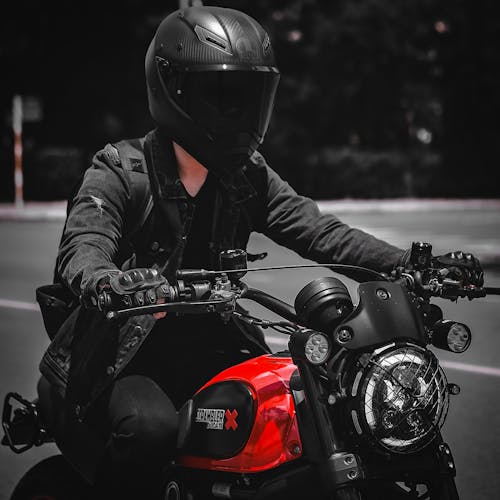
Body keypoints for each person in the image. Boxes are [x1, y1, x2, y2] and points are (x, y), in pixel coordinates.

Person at [38, 5, 483, 499]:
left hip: (216, 341)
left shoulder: (247, 175)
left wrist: (411, 265)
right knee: (150, 431)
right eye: (225, 95)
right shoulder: (122, 170)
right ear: (174, 89)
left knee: (309, 405)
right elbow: (83, 247)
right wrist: (109, 281)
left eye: (251, 96)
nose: (242, 113)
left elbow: (320, 232)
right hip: (126, 356)